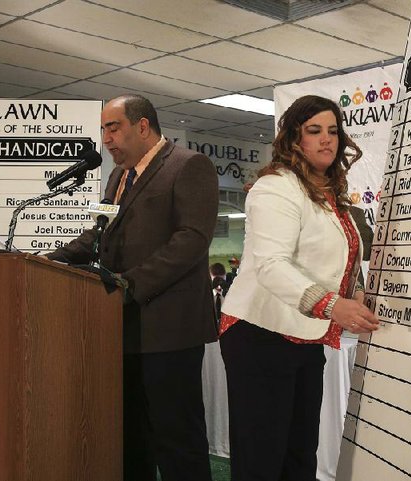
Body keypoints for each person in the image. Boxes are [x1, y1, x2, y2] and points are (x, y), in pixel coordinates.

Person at [46, 94, 219, 481]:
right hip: (122, 327)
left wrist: (130, 284)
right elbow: (100, 233)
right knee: (130, 439)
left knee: (177, 439)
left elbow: (191, 240)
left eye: (113, 127)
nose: (106, 138)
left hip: (169, 331)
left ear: (142, 126)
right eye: (103, 129)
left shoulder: (189, 165)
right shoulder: (118, 176)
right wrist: (50, 259)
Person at [219, 95, 380, 481]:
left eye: (333, 131)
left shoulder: (327, 193)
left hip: (304, 335)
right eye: (314, 131)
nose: (327, 139)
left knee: (299, 456)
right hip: (260, 332)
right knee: (262, 459)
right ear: (294, 138)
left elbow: (330, 258)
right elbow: (273, 265)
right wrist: (332, 305)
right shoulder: (275, 187)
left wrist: (353, 293)